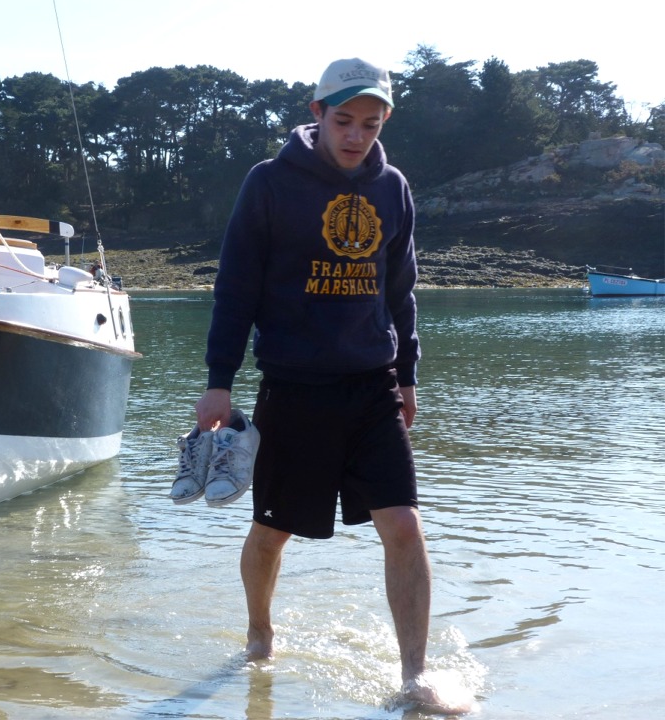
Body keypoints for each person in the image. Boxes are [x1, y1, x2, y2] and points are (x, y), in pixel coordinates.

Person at [193, 58, 473, 714]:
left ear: (385, 123)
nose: (355, 135)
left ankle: (414, 676)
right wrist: (217, 384)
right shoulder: (269, 184)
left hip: (372, 387)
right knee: (272, 532)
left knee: (403, 525)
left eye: (370, 124)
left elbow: (400, 291)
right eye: (343, 120)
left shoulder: (393, 187)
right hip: (293, 386)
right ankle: (260, 632)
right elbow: (236, 289)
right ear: (317, 113)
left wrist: (407, 374)